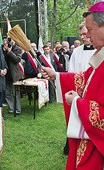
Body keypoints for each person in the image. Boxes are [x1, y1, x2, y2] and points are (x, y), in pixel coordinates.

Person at [41, 1, 104, 169]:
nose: (87, 37)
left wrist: (77, 102)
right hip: (91, 139)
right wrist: (57, 76)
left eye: (90, 30)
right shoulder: (101, 55)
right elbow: (85, 78)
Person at [63, 21, 96, 156]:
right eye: (80, 35)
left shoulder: (99, 49)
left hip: (94, 90)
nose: (82, 37)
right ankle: (72, 145)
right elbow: (71, 71)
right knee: (75, 118)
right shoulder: (76, 51)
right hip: (78, 88)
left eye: (84, 34)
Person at [3, 38, 24, 114]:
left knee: (16, 93)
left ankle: (18, 109)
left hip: (14, 74)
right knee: (7, 93)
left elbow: (17, 60)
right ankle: (11, 108)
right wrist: (5, 50)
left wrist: (9, 51)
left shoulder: (18, 49)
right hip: (5, 73)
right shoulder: (2, 49)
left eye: (12, 40)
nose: (10, 42)